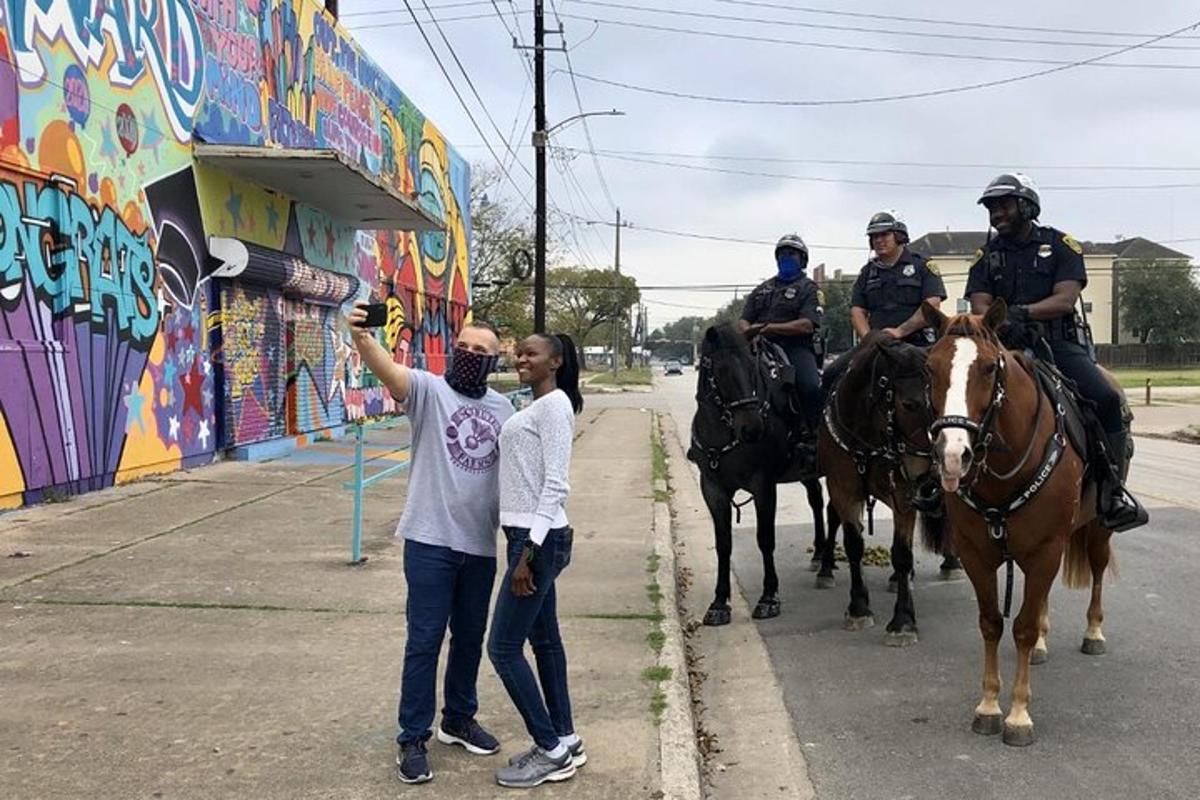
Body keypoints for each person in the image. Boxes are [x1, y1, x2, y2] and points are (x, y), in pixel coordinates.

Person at [346, 303, 514, 784]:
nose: (468, 354)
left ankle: (458, 719)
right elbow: (391, 372)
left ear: (493, 361)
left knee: (468, 640)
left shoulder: (504, 410)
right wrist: (361, 337)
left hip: (480, 545)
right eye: (462, 346)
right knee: (424, 642)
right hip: (429, 542)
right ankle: (412, 737)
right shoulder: (429, 390)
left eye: (480, 351)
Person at [965, 173, 1148, 532]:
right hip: (1005, 343)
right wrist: (1000, 321)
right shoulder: (986, 256)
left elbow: (1065, 298)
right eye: (991, 207)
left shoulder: (1059, 245)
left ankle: (1111, 491)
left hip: (1057, 343)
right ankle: (945, 489)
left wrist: (1023, 312)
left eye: (1003, 205)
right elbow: (980, 301)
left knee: (1106, 399)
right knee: (954, 399)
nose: (996, 212)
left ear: (1027, 206)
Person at [488, 333, 586, 789]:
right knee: (545, 642)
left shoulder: (553, 406)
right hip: (530, 535)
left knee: (503, 648)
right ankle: (566, 736)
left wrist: (527, 552)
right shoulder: (537, 405)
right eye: (519, 352)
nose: (521, 358)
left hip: (536, 541)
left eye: (532, 353)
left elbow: (556, 484)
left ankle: (550, 752)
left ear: (556, 362)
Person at [823, 211, 947, 393]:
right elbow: (857, 311)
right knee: (831, 373)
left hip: (917, 343)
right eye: (874, 237)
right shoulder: (867, 272)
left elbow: (932, 305)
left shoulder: (922, 266)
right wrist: (868, 338)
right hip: (877, 344)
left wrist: (899, 331)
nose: (878, 240)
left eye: (884, 234)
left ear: (899, 236)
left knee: (942, 379)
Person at [738, 233, 824, 432]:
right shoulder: (762, 289)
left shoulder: (809, 288)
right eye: (783, 253)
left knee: (811, 386)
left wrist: (768, 328)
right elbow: (744, 318)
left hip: (795, 348)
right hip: (759, 346)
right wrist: (749, 332)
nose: (787, 257)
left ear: (802, 260)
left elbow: (807, 324)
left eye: (792, 254)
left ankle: (814, 434)